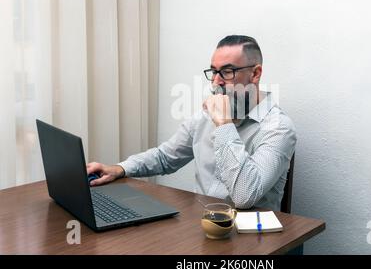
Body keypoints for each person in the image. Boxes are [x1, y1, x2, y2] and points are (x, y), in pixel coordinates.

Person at [87, 35, 296, 210]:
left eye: (227, 71)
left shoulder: (278, 128)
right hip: (203, 224)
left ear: (255, 73)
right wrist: (119, 169)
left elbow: (245, 196)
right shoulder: (205, 117)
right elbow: (164, 158)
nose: (216, 82)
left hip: (250, 240)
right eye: (214, 71)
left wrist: (224, 125)